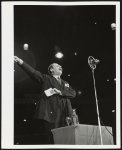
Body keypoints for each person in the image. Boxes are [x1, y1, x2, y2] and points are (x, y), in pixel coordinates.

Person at [14, 56, 76, 132]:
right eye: (57, 66)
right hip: (51, 113)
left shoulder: (65, 83)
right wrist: (21, 62)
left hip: (65, 114)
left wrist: (61, 92)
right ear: (51, 69)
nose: (60, 66)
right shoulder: (46, 78)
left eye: (60, 66)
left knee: (66, 137)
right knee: (53, 137)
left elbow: (73, 93)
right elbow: (33, 72)